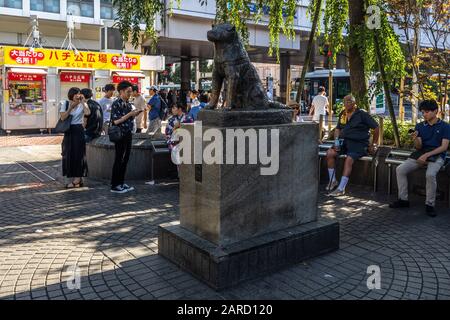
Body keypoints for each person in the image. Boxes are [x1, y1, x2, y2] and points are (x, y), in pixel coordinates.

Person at [390, 100, 450, 217]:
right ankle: (403, 200)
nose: (424, 114)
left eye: (427, 112)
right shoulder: (420, 126)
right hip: (421, 153)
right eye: (422, 112)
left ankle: (430, 205)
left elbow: (444, 147)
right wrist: (415, 138)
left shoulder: (445, 126)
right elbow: (419, 147)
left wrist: (427, 155)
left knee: (430, 174)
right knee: (400, 169)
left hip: (437, 155)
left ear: (435, 111)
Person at [326, 94, 379, 196]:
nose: (346, 104)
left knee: (349, 159)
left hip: (359, 143)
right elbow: (338, 129)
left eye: (349, 102)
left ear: (354, 103)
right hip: (344, 142)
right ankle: (333, 181)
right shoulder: (343, 114)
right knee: (329, 153)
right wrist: (336, 141)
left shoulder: (362, 114)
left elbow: (376, 127)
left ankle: (341, 188)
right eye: (345, 102)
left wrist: (375, 143)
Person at [110, 81, 142, 193]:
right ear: (121, 91)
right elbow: (116, 121)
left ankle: (121, 183)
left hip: (128, 133)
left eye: (131, 92)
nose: (130, 94)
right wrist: (130, 114)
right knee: (119, 159)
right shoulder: (116, 103)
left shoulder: (128, 103)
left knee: (125, 159)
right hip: (119, 135)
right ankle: (115, 185)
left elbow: (128, 119)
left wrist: (135, 114)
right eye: (128, 92)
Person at [60, 87, 91, 188]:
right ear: (71, 95)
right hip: (69, 130)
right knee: (69, 153)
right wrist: (71, 107)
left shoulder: (82, 104)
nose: (78, 96)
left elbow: (87, 113)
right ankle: (78, 178)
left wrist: (83, 102)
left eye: (79, 94)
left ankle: (77, 179)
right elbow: (63, 117)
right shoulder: (64, 103)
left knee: (79, 154)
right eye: (76, 94)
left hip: (78, 130)